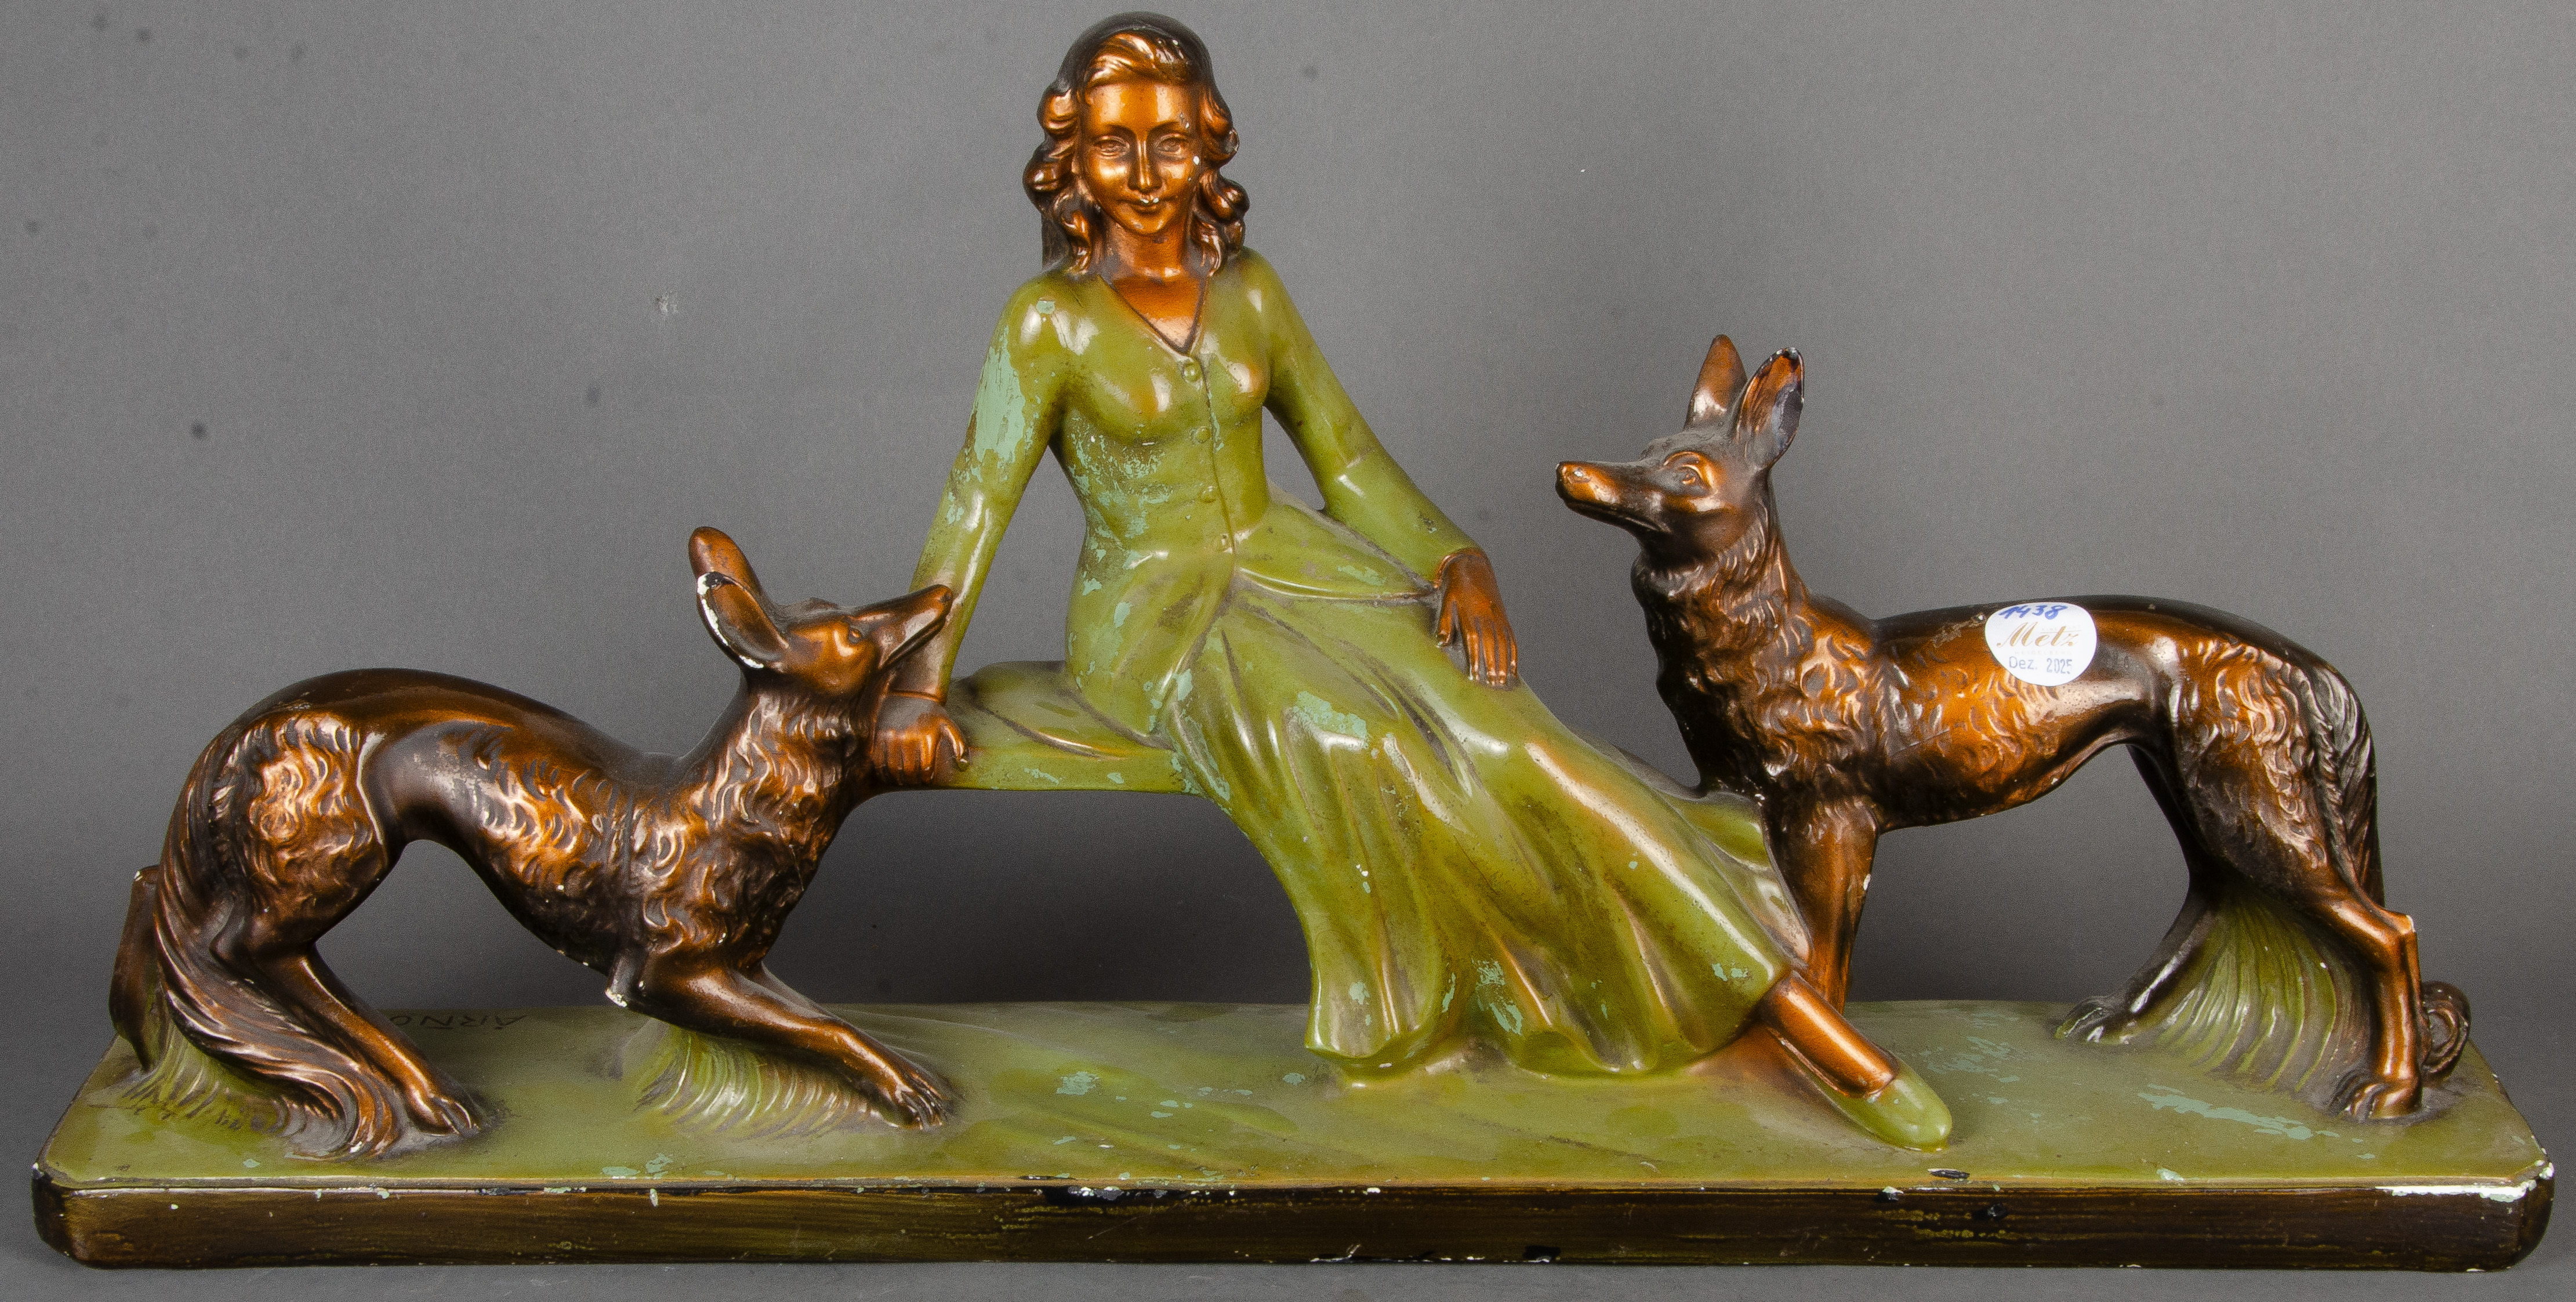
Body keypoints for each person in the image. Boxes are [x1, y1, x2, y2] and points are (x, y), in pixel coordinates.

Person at [871, 13, 1947, 1147]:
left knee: (1514, 739)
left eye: (1171, 142)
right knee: (1367, 742)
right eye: (1114, 144)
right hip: (1158, 624)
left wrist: (1455, 559)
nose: (1145, 175)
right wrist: (915, 688)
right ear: (1072, 160)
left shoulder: (1250, 292)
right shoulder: (1048, 322)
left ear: (1210, 146)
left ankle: (1762, 1008)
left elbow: (1348, 465)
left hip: (1298, 571)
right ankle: (1451, 1017)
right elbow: (976, 500)